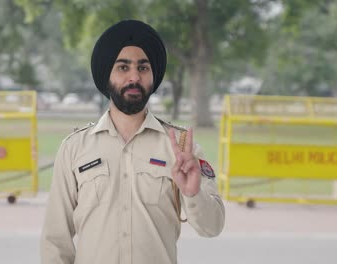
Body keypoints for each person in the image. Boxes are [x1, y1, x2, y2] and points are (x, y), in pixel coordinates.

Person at [40, 19, 225, 264]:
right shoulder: (75, 148)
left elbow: (212, 228)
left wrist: (193, 193)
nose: (134, 77)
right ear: (107, 74)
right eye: (123, 68)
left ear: (153, 76)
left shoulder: (181, 147)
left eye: (143, 68)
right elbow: (55, 241)